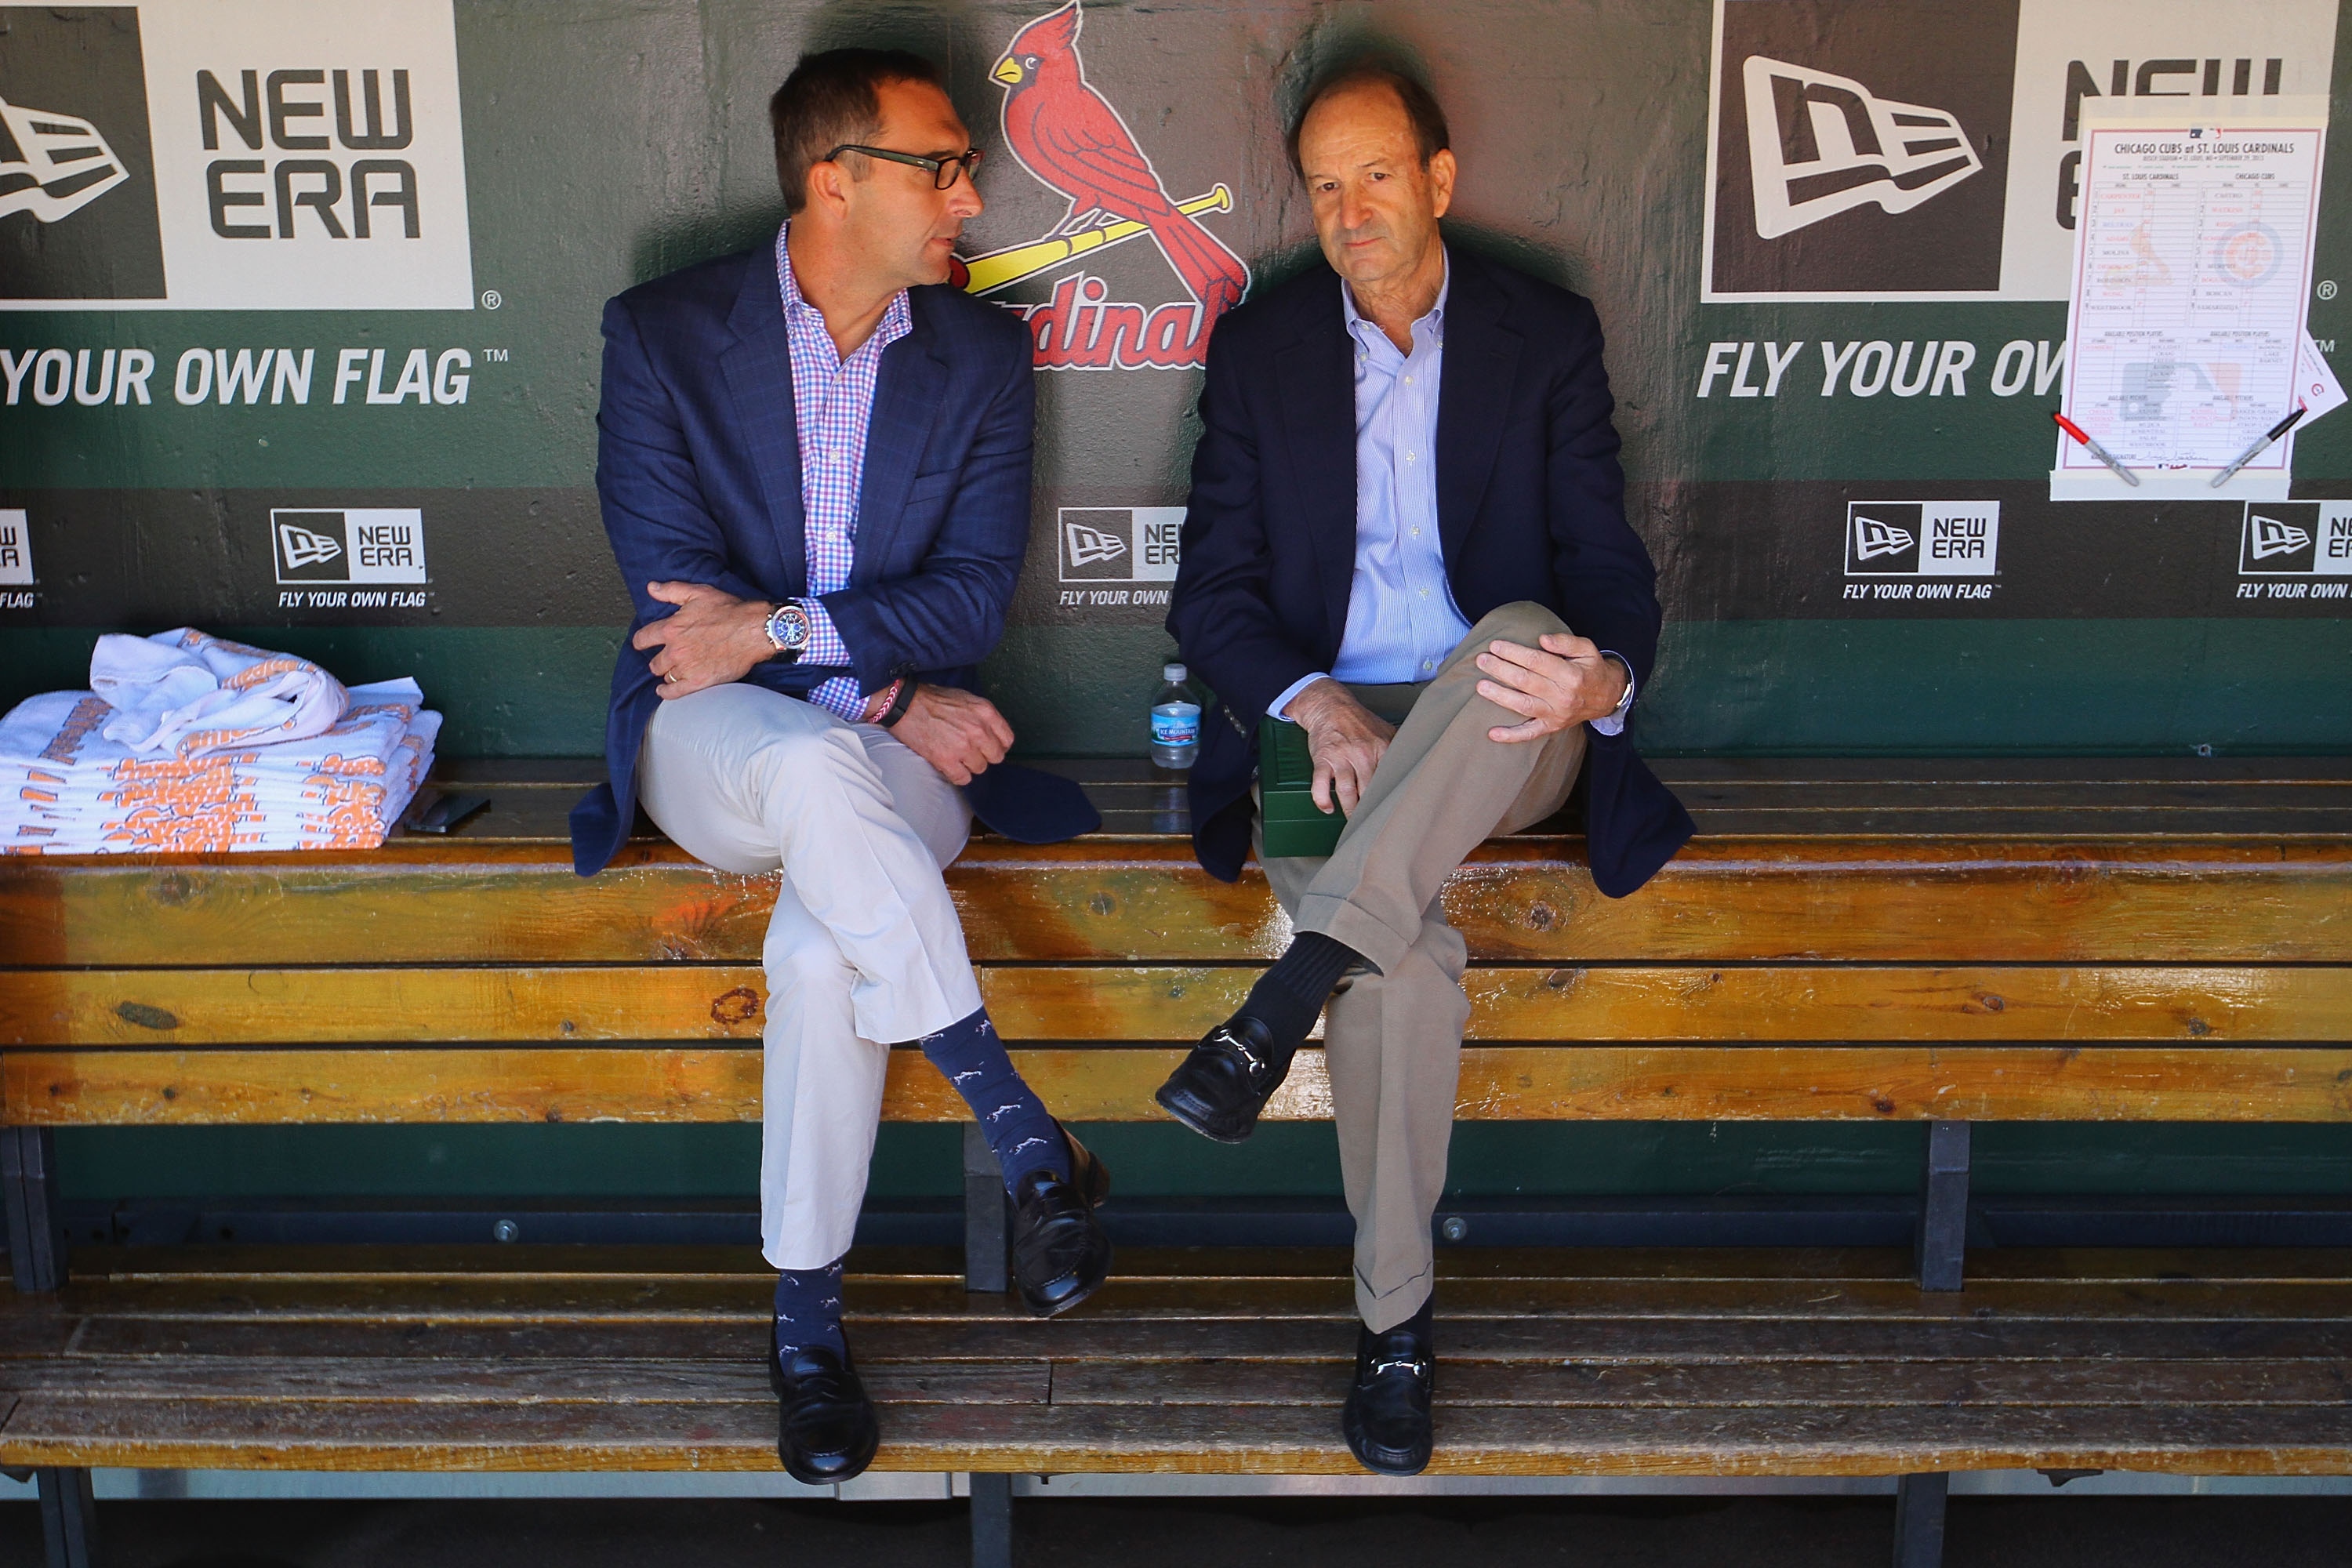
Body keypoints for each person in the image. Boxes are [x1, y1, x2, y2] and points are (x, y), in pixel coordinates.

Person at [570, 47, 1111, 1486]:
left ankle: (804, 1326)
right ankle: (1022, 1124)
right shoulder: (665, 333)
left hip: (892, 756)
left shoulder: (982, 355)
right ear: (836, 177)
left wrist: (810, 643)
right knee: (810, 761)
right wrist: (879, 689)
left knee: (820, 957)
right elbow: (682, 620)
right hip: (720, 748)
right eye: (942, 166)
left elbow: (971, 598)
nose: (972, 196)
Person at [1160, 62, 1694, 1475]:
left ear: (1439, 182)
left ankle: (1280, 996)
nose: (1350, 212)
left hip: (1508, 720)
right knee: (1401, 965)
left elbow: (1607, 569)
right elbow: (1210, 594)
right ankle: (1394, 1327)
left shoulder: (1540, 334)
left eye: (1377, 176)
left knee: (1520, 632)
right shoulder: (1263, 347)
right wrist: (1317, 699)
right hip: (1324, 729)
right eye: (1325, 187)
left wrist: (1606, 679)